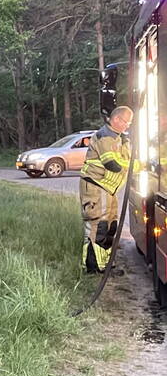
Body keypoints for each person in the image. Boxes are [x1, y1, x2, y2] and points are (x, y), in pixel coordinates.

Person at [79, 106, 132, 273]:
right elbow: (112, 164)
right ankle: (93, 266)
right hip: (96, 187)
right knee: (98, 226)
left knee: (110, 227)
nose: (128, 126)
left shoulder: (120, 138)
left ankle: (105, 264)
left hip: (108, 190)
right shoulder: (104, 137)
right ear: (116, 119)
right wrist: (135, 166)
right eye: (127, 122)